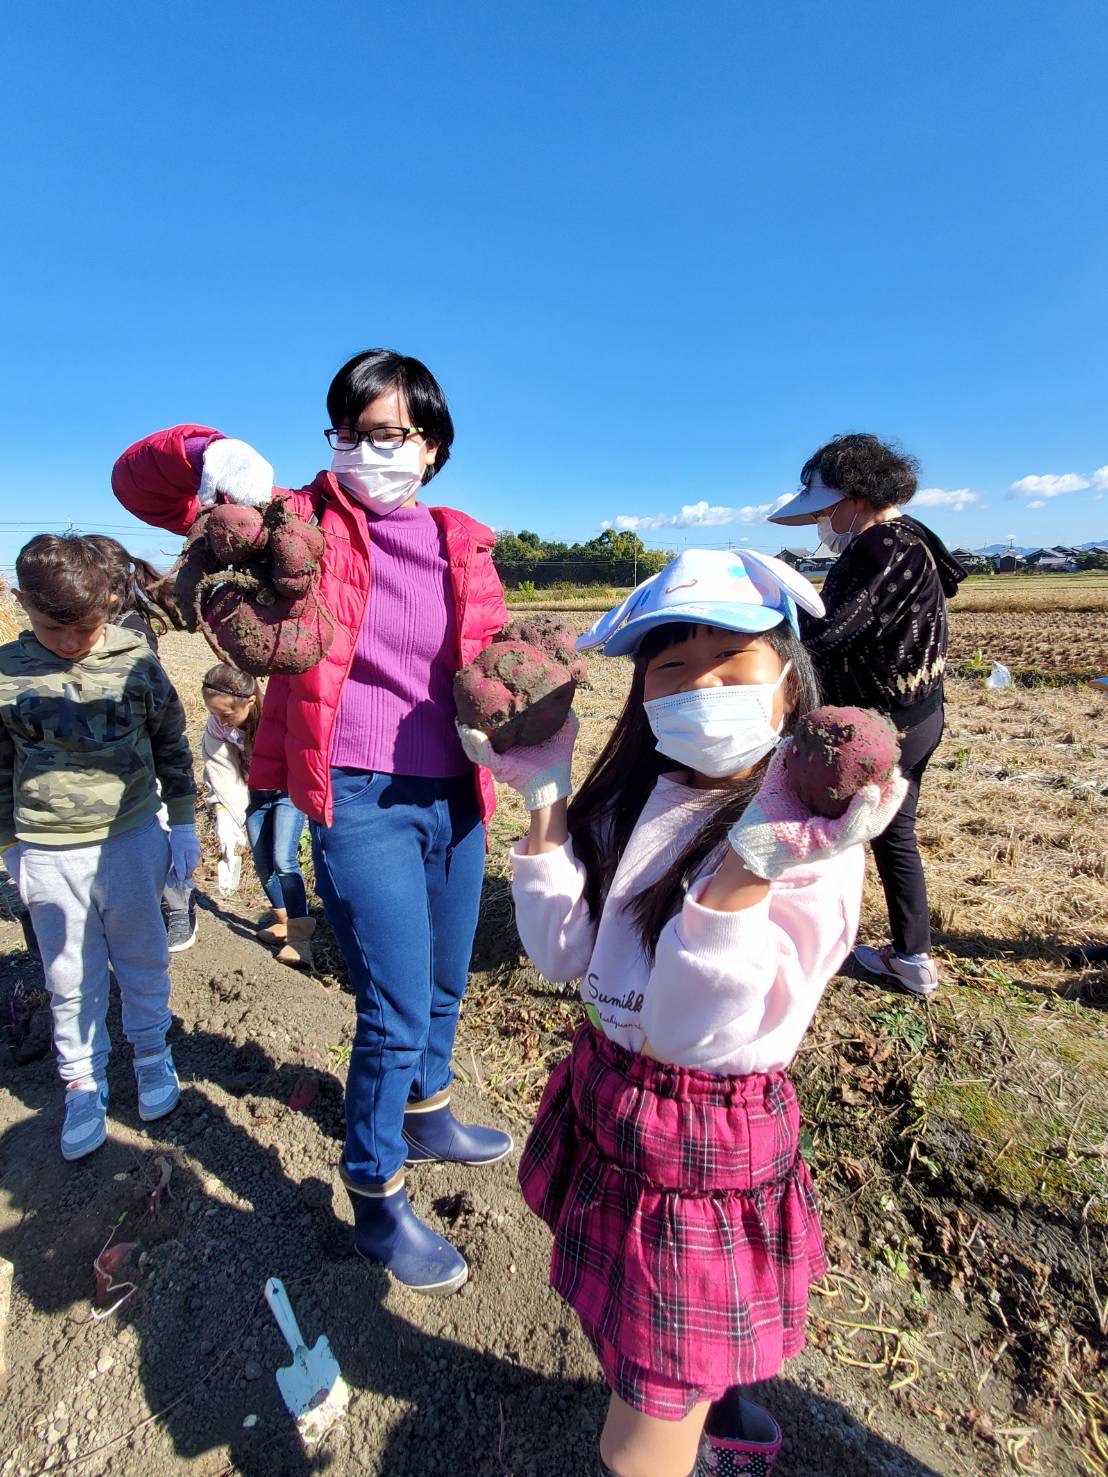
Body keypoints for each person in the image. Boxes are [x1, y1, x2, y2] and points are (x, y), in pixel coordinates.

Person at [461, 550, 905, 1477]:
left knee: (639, 1437)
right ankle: (728, 1418)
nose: (699, 682)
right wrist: (544, 800)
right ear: (642, 690)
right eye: (671, 664)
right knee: (637, 1338)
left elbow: (694, 1033)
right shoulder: (641, 791)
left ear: (788, 679)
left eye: (729, 657)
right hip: (607, 1089)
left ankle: (705, 1432)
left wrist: (747, 867)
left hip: (699, 1136)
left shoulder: (809, 838)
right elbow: (562, 956)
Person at [112, 348, 510, 1293]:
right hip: (359, 795)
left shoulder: (465, 540)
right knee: (394, 1000)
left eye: (386, 435)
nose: (364, 450)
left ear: (432, 447)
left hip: (456, 793)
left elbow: (489, 656)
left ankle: (429, 1108)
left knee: (447, 980)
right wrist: (215, 453)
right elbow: (139, 482)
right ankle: (375, 1193)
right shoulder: (304, 520)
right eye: (347, 431)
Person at [0, 534, 199, 1160]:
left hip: (132, 836)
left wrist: (186, 819)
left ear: (109, 603)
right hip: (47, 847)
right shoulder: (7, 672)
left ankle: (150, 1054)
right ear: (20, 603)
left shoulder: (135, 657)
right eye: (53, 628)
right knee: (68, 975)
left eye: (84, 629)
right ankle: (83, 1082)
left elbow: (170, 737)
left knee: (143, 958)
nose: (70, 643)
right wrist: (8, 843)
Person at [770, 434, 966, 996]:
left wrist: (770, 633)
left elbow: (828, 631)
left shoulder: (879, 547)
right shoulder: (917, 539)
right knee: (894, 833)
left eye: (827, 510)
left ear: (857, 497)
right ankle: (912, 958)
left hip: (878, 724)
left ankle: (801, 938)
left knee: (825, 828)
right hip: (921, 712)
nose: (823, 523)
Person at [84, 533, 198, 951]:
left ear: (113, 591)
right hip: (113, 760)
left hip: (141, 756)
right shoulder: (99, 628)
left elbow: (156, 710)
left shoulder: (132, 634)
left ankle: (181, 906)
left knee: (162, 833)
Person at [200, 663, 313, 967]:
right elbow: (221, 771)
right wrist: (227, 813)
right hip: (257, 795)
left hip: (287, 792)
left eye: (226, 714)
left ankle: (301, 938)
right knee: (262, 862)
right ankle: (282, 919)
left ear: (249, 701)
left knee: (283, 859)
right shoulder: (218, 727)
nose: (220, 722)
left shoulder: (275, 718)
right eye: (215, 714)